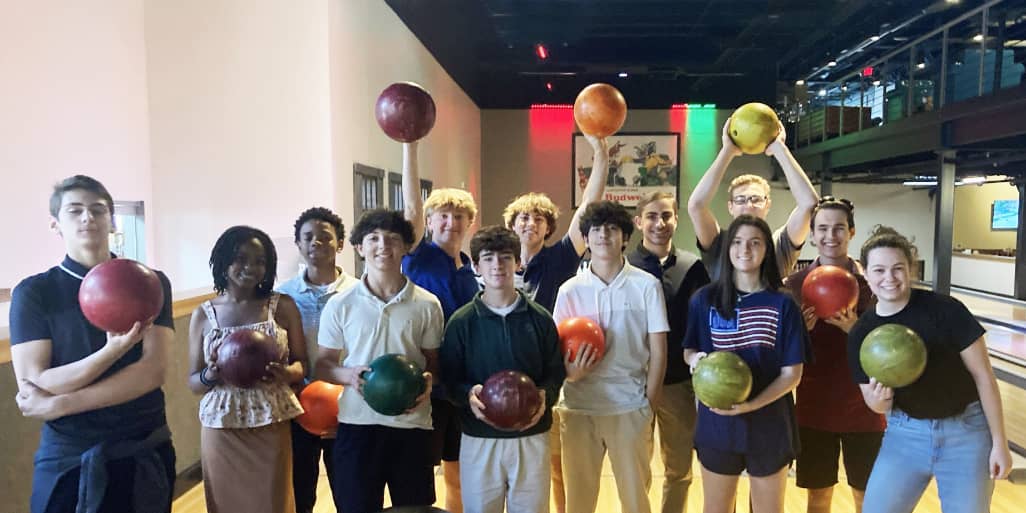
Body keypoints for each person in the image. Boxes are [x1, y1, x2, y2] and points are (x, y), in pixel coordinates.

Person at [11, 175, 176, 513]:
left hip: (142, 445)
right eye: (75, 210)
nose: (88, 218)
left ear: (111, 220)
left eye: (97, 210)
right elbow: (36, 382)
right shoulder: (34, 293)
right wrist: (111, 352)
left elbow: (152, 371)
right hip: (69, 455)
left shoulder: (149, 283)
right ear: (55, 224)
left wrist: (60, 405)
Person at [848, 226, 1012, 513]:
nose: (889, 278)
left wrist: (1000, 443)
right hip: (904, 434)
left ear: (910, 267)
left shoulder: (946, 310)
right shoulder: (862, 332)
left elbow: (983, 376)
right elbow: (873, 404)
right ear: (865, 272)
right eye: (879, 270)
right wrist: (880, 399)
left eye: (898, 268)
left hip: (967, 434)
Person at [501, 134, 609, 513]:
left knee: (557, 467)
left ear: (549, 228)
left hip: (549, 373)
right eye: (523, 217)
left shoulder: (560, 259)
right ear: (512, 225)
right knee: (515, 468)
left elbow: (588, 208)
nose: (530, 223)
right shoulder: (493, 267)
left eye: (539, 218)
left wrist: (600, 155)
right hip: (505, 373)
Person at [315, 208, 443, 513]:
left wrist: (428, 383)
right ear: (360, 247)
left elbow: (434, 365)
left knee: (413, 509)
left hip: (412, 426)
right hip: (358, 426)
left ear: (406, 247)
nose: (383, 245)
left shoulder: (427, 304)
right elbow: (322, 364)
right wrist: (349, 376)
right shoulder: (340, 304)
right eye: (373, 238)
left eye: (392, 239)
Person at [683, 215, 809, 513]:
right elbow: (690, 349)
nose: (745, 249)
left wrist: (753, 404)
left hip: (770, 423)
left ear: (767, 249)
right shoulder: (705, 299)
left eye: (755, 243)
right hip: (718, 422)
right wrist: (695, 360)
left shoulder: (784, 303)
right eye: (737, 242)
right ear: (727, 249)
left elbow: (793, 374)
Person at [440, 225, 566, 513]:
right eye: (488, 258)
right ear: (475, 266)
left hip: (531, 437)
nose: (497, 265)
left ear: (518, 263)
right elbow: (449, 378)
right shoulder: (462, 322)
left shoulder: (541, 319)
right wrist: (466, 394)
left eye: (506, 257)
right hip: (479, 437)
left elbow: (555, 372)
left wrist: (545, 394)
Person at [553, 200, 669, 513]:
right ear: (586, 239)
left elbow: (659, 349)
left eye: (612, 229)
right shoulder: (569, 291)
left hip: (629, 406)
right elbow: (555, 352)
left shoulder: (647, 285)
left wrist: (650, 403)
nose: (604, 235)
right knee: (578, 500)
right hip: (578, 407)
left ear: (625, 237)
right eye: (596, 229)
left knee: (635, 500)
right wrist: (570, 374)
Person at [187, 225, 307, 513]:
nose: (251, 267)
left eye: (260, 260)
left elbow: (303, 366)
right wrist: (211, 375)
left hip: (269, 420)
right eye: (241, 258)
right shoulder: (204, 315)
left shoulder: (282, 306)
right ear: (223, 261)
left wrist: (287, 374)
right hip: (221, 427)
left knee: (273, 503)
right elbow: (194, 382)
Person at [783, 198, 883, 513]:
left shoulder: (873, 284)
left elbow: (888, 349)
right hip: (814, 409)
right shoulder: (794, 286)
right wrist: (802, 332)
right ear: (811, 235)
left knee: (867, 497)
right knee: (818, 497)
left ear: (851, 232)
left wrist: (856, 330)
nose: (831, 235)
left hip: (865, 408)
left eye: (839, 228)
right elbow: (781, 352)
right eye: (823, 228)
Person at [400, 140, 479, 512]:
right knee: (417, 478)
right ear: (429, 222)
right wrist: (410, 145)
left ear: (470, 222)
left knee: (459, 473)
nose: (451, 222)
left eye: (459, 215)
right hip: (423, 382)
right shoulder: (418, 256)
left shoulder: (471, 268)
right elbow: (412, 206)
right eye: (442, 215)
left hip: (460, 384)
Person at [627, 191, 711, 513]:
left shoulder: (693, 267)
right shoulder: (625, 267)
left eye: (666, 216)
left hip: (678, 384)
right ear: (638, 222)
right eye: (651, 216)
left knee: (679, 469)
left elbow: (702, 323)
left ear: (676, 220)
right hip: (634, 384)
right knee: (636, 467)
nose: (659, 223)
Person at [276, 207, 357, 513]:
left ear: (339, 244)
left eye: (325, 237)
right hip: (297, 406)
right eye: (308, 237)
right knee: (300, 493)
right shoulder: (283, 296)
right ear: (298, 244)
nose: (316, 243)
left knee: (349, 491)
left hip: (349, 406)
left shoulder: (358, 292)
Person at [686, 118, 819, 278]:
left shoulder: (780, 244)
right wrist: (727, 152)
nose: (748, 205)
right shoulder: (719, 243)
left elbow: (809, 203)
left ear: (767, 204)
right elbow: (696, 206)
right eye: (741, 200)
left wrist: (780, 149)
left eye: (755, 199)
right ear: (730, 207)